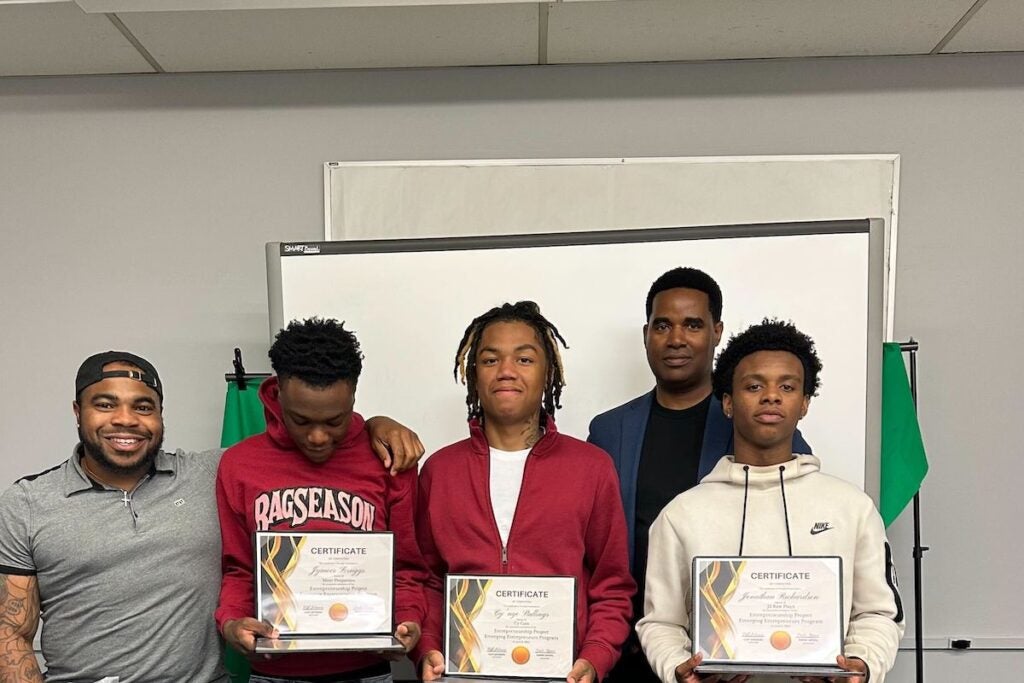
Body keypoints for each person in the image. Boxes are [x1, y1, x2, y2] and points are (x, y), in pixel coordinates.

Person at [0, 350, 424, 683]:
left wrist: (374, 426)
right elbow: (9, 631)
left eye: (143, 406)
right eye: (105, 404)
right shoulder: (27, 502)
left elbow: (294, 454)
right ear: (78, 411)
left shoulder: (211, 472)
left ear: (161, 415)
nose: (125, 420)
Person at [637, 320, 904, 683]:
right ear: (728, 402)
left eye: (788, 386)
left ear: (805, 403)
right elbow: (661, 622)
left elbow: (878, 614)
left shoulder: (852, 508)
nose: (772, 396)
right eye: (754, 385)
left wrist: (862, 663)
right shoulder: (682, 514)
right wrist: (677, 669)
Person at [588, 267, 811, 682]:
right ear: (646, 334)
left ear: (717, 331)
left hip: (729, 655)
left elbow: (794, 530)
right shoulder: (608, 430)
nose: (676, 339)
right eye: (663, 325)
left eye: (692, 325)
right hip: (627, 651)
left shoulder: (756, 421)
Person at [414, 301, 635, 683]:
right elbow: (427, 580)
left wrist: (596, 656)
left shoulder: (592, 468)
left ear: (548, 372)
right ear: (472, 374)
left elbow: (611, 586)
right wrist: (428, 647)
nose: (506, 372)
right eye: (489, 360)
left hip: (561, 676)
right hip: (463, 675)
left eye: (524, 359)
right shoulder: (439, 470)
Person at [215, 317, 428, 683]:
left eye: (334, 421)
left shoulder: (388, 459)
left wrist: (408, 619)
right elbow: (239, 568)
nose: (317, 437)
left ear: (354, 396)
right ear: (277, 391)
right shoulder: (239, 464)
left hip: (366, 670)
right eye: (300, 420)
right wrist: (232, 622)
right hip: (273, 672)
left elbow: (408, 567)